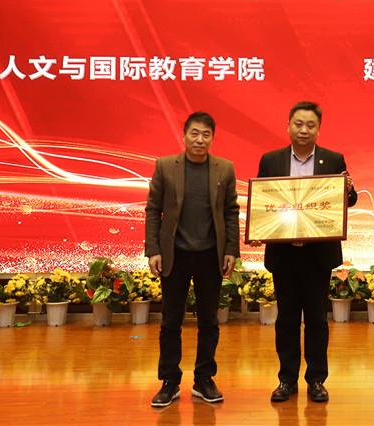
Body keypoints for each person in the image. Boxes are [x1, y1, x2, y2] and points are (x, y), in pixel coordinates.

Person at [249, 101, 357, 404]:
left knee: (316, 320)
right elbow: (263, 203)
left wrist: (348, 189)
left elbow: (348, 201)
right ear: (288, 126)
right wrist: (258, 229)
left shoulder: (333, 159)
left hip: (317, 255)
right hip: (284, 255)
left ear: (318, 129)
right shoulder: (271, 160)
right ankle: (286, 379)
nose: (304, 130)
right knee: (286, 320)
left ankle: (316, 379)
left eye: (310, 125)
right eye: (298, 124)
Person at [145, 111, 240, 408]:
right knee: (171, 321)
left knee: (209, 321)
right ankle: (169, 381)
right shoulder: (165, 166)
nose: (200, 139)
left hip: (211, 255)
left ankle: (204, 379)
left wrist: (231, 250)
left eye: (206, 134)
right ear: (184, 135)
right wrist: (153, 249)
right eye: (194, 133)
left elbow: (231, 211)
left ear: (212, 138)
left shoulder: (224, 169)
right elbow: (153, 209)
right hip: (174, 254)